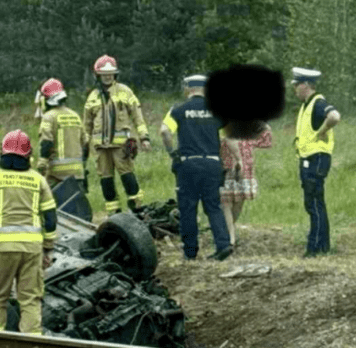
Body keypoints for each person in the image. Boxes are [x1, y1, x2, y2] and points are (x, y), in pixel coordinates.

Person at [0, 130, 57, 335]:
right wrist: (48, 249)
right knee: (30, 300)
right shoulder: (38, 180)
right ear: (29, 155)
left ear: (2, 152)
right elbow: (51, 217)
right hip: (32, 250)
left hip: (3, 249)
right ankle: (32, 347)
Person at [159, 74, 232, 261]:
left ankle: (190, 251)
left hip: (188, 163)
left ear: (188, 89)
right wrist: (237, 159)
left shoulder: (178, 110)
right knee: (214, 206)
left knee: (188, 207)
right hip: (212, 163)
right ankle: (223, 245)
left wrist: (172, 152)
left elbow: (164, 131)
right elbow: (228, 136)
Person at [83, 54, 152, 213]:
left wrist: (144, 137)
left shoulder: (125, 92)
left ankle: (137, 209)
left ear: (115, 74)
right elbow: (87, 125)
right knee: (105, 180)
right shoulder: (92, 97)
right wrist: (84, 144)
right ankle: (114, 213)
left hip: (121, 146)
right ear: (97, 75)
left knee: (128, 177)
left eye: (110, 73)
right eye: (103, 74)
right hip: (100, 147)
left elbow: (137, 117)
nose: (107, 77)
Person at [292, 67, 340, 257]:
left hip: (315, 158)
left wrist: (322, 131)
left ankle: (315, 247)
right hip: (310, 158)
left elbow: (334, 116)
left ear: (305, 85)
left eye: (296, 85)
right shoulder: (307, 105)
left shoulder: (317, 103)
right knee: (314, 202)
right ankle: (322, 245)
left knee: (313, 202)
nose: (295, 89)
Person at [220, 121, 273, 247]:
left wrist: (262, 125)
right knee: (226, 204)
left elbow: (267, 141)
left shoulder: (248, 139)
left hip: (245, 174)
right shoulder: (224, 140)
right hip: (228, 173)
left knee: (238, 205)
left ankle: (227, 231)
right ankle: (230, 237)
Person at [34, 78, 88, 190]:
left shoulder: (49, 117)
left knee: (54, 204)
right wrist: (83, 165)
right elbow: (85, 143)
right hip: (77, 173)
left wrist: (42, 164)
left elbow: (46, 142)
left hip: (57, 174)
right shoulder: (75, 116)